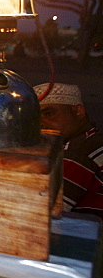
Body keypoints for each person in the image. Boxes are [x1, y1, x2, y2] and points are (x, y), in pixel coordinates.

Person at [35, 83, 103, 217]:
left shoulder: (78, 152)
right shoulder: (93, 140)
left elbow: (44, 213)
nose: (41, 122)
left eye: (49, 113)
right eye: (36, 117)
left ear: (78, 112)